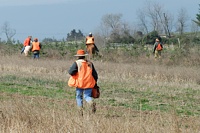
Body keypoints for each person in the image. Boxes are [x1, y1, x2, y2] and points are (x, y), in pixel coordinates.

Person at [68, 49, 98, 116]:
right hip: (89, 83)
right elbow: (95, 74)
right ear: (84, 56)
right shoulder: (90, 63)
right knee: (87, 96)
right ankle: (91, 102)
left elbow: (70, 72)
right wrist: (95, 83)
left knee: (79, 97)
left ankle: (80, 112)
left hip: (80, 83)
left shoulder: (77, 63)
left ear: (78, 56)